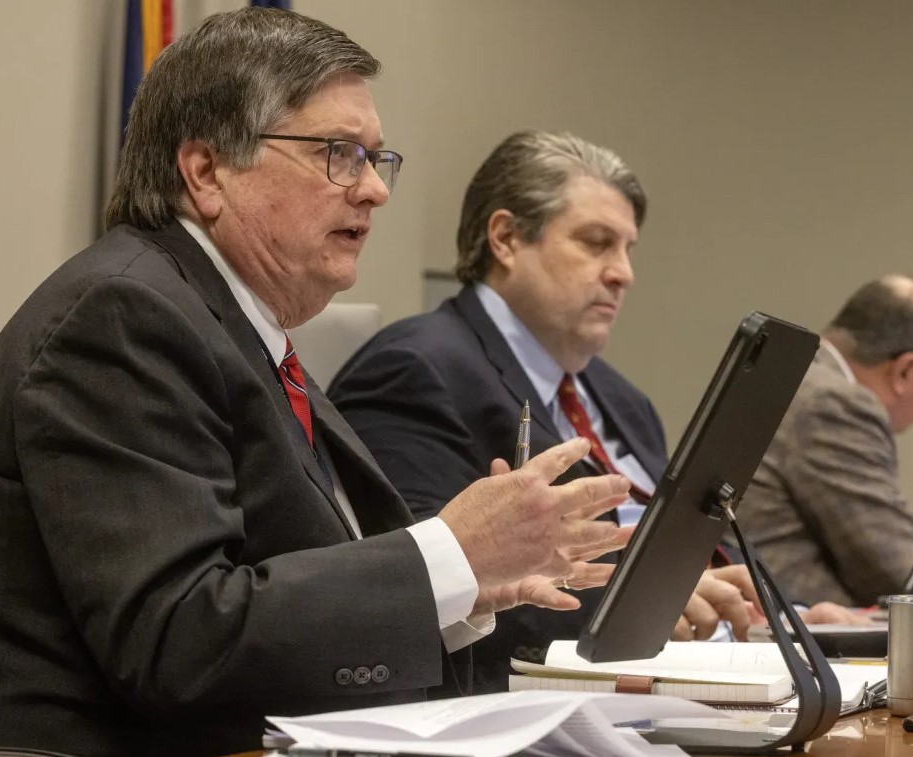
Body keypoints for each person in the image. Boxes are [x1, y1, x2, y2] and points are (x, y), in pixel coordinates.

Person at [0, 11, 633, 757]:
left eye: (375, 158)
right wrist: (451, 554)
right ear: (206, 172)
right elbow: (177, 641)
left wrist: (469, 586)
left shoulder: (235, 328)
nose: (375, 190)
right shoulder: (123, 318)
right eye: (339, 154)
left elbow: (285, 589)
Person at [328, 130, 858, 691]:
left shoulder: (621, 397)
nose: (623, 272)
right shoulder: (414, 369)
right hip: (550, 697)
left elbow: (689, 547)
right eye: (597, 243)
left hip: (705, 671)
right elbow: (419, 588)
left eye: (628, 249)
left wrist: (784, 616)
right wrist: (642, 607)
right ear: (506, 238)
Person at [737, 275, 913, 610]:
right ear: (905, 370)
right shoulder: (833, 402)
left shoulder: (797, 379)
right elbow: (898, 572)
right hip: (793, 625)